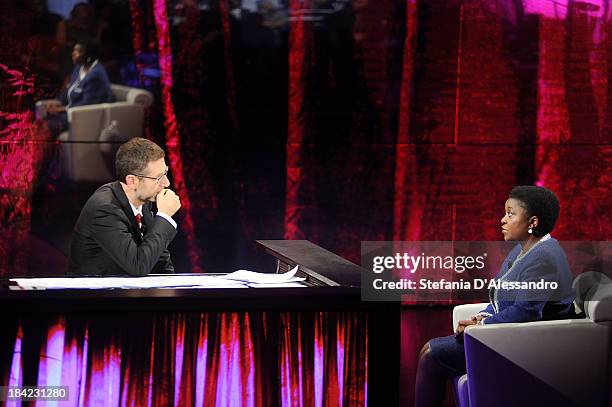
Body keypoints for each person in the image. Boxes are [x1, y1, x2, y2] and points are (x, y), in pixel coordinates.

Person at [415, 186, 576, 406]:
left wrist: (480, 325)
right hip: (509, 335)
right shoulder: (523, 249)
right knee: (429, 349)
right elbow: (501, 299)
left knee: (431, 356)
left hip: (528, 347)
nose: (502, 220)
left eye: (510, 214)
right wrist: (480, 318)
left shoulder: (543, 257)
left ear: (533, 222)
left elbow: (527, 312)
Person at [67, 138, 181, 276]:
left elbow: (160, 259)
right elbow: (138, 266)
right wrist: (164, 217)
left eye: (165, 173)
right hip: (94, 295)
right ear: (132, 181)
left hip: (126, 292)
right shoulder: (104, 209)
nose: (167, 183)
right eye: (158, 178)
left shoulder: (144, 201)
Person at [43, 39, 113, 138]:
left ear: (89, 55)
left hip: (86, 116)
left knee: (46, 126)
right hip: (73, 112)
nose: (73, 54)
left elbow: (87, 104)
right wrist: (57, 102)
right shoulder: (79, 67)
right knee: (42, 119)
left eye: (78, 51)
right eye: (74, 50)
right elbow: (70, 88)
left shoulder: (96, 74)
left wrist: (60, 109)